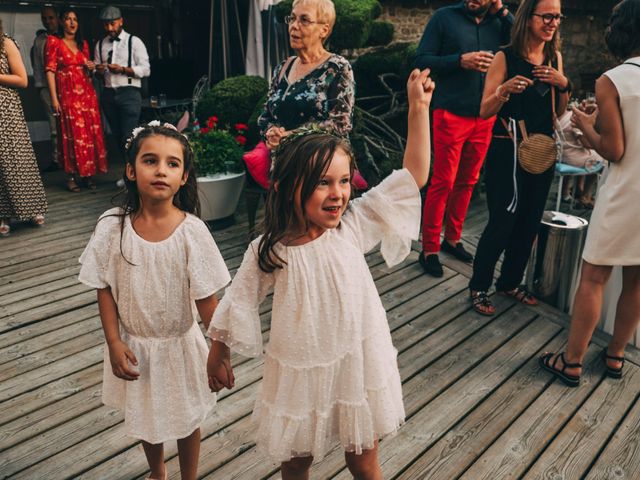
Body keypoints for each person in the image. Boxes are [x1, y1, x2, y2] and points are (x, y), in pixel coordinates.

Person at [207, 69, 434, 480]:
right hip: (301, 368)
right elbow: (237, 301)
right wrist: (217, 353)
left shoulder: (352, 224)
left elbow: (413, 177)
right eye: (322, 183)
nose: (338, 193)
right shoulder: (269, 249)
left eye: (344, 181)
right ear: (289, 186)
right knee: (296, 461)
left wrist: (419, 109)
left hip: (356, 360)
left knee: (363, 459)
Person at [78, 122, 231, 480]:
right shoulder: (112, 227)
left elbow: (208, 301)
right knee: (149, 416)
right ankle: (158, 472)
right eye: (150, 160)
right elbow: (104, 287)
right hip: (137, 346)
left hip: (181, 344)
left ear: (183, 176)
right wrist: (114, 341)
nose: (161, 170)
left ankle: (188, 476)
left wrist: (219, 351)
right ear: (131, 170)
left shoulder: (192, 232)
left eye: (172, 164)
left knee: (186, 415)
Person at [539, 0, 640, 387]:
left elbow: (613, 150)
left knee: (594, 275)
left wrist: (584, 124)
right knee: (636, 280)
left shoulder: (612, 80)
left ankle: (572, 361)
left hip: (623, 194)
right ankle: (615, 357)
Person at [468, 0, 570, 315]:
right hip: (508, 149)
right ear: (529, 18)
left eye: (558, 16)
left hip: (542, 149)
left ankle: (510, 282)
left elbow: (559, 112)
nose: (553, 22)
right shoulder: (505, 57)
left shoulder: (554, 58)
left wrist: (562, 84)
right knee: (504, 219)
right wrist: (505, 90)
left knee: (529, 221)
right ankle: (479, 286)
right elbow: (484, 109)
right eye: (548, 15)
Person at [414, 0, 514, 277]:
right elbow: (421, 59)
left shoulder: (500, 24)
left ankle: (453, 239)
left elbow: (526, 37)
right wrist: (460, 60)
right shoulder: (443, 17)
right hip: (450, 113)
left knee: (469, 181)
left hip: (485, 116)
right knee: (443, 182)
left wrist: (504, 12)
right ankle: (430, 247)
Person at [251, 0, 355, 239]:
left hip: (318, 173)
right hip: (283, 169)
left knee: (316, 239)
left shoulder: (338, 68)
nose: (293, 26)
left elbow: (340, 123)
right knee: (283, 235)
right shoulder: (282, 68)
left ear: (324, 30)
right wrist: (270, 132)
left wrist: (290, 135)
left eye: (304, 20)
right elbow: (266, 115)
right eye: (292, 18)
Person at [45, 6, 107, 192]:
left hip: (87, 95)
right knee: (70, 134)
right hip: (68, 95)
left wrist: (90, 66)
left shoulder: (83, 44)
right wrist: (54, 99)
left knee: (87, 135)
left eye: (75, 19)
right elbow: (50, 71)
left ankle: (87, 174)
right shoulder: (54, 42)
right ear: (62, 21)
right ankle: (71, 176)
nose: (72, 22)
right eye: (68, 18)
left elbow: (91, 70)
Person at [0, 20, 48, 236]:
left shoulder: (6, 43)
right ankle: (4, 215)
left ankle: (32, 208)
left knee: (17, 159)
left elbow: (22, 79)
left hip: (7, 109)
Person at [95, 5, 151, 153]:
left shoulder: (134, 42)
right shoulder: (100, 44)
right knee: (117, 135)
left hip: (129, 93)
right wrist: (98, 71)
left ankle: (132, 171)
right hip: (108, 94)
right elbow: (97, 72)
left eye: (112, 23)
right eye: (106, 24)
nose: (109, 28)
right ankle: (128, 168)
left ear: (121, 21)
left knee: (129, 135)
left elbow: (146, 69)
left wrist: (123, 69)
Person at [557, 103, 603, 208]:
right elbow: (587, 144)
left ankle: (572, 190)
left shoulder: (559, 117)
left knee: (585, 153)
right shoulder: (574, 119)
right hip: (572, 159)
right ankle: (585, 195)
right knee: (601, 159)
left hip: (561, 156)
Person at [31, 5, 60, 171]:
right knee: (54, 127)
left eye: (51, 17)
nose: (48, 21)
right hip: (46, 89)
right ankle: (56, 160)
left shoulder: (64, 38)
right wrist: (40, 88)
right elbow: (37, 65)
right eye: (44, 18)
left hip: (65, 87)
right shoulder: (39, 40)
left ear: (57, 18)